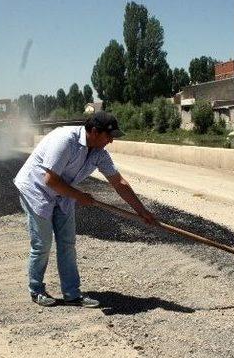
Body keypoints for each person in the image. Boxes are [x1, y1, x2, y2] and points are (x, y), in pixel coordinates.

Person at [13, 111, 156, 308]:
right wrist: (79, 196)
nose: (112, 141)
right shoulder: (64, 140)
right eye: (110, 136)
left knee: (67, 243)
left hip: (63, 193)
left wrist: (142, 211)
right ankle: (36, 289)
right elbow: (50, 180)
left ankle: (72, 294)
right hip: (36, 190)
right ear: (95, 132)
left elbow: (118, 182)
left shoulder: (99, 153)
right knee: (42, 244)